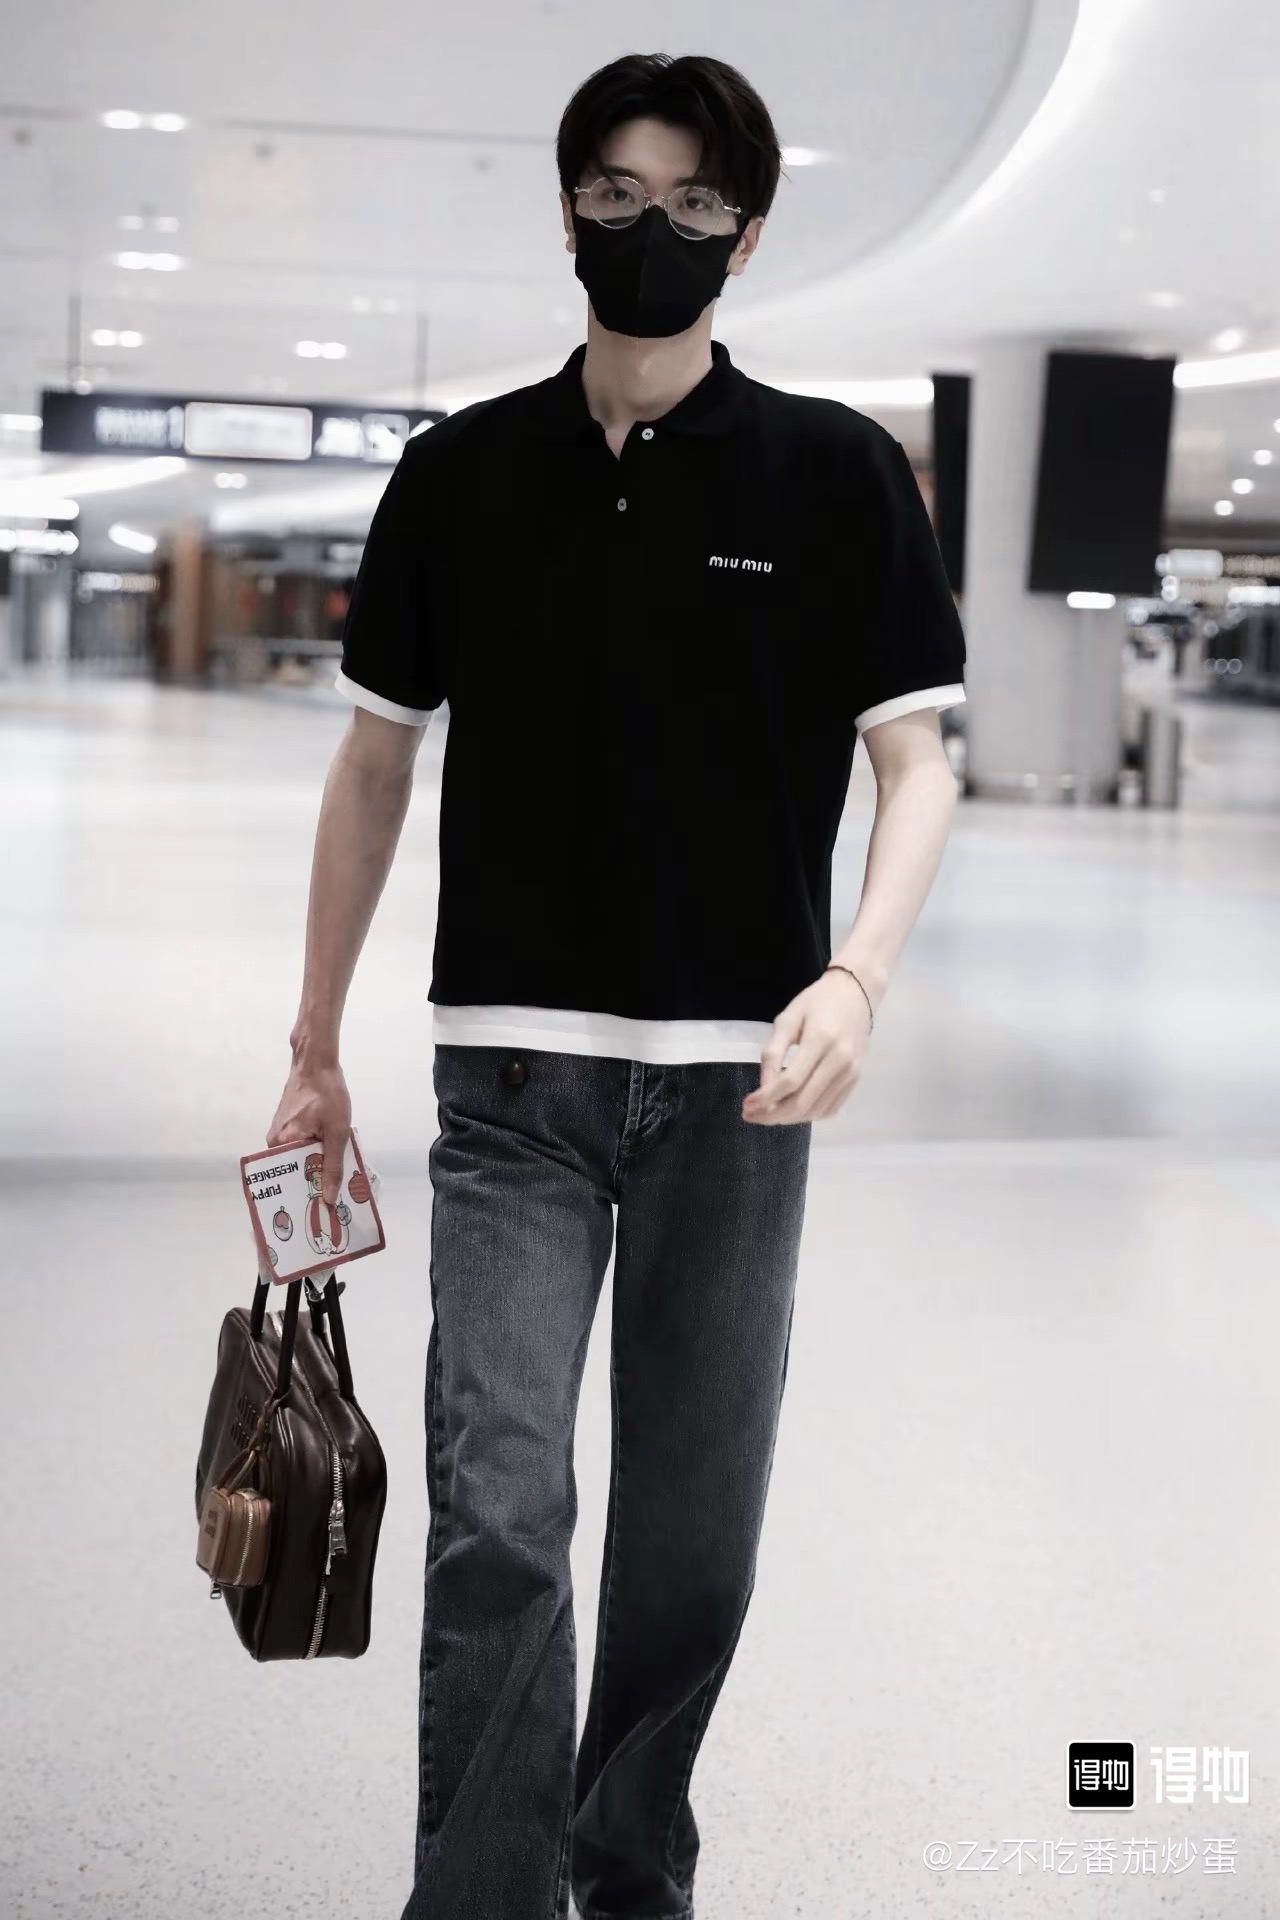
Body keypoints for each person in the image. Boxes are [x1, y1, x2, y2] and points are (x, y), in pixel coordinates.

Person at [266, 49, 967, 1920]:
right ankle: (482, 1895)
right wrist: (313, 1042)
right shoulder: (461, 473)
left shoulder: (833, 473)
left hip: (743, 1088)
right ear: (566, 208)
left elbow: (918, 761)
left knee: (693, 1541)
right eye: (619, 197)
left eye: (695, 204)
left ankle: (629, 1858)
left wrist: (858, 975)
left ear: (750, 232)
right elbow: (373, 762)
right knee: (501, 1512)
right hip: (510, 1082)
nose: (655, 232)